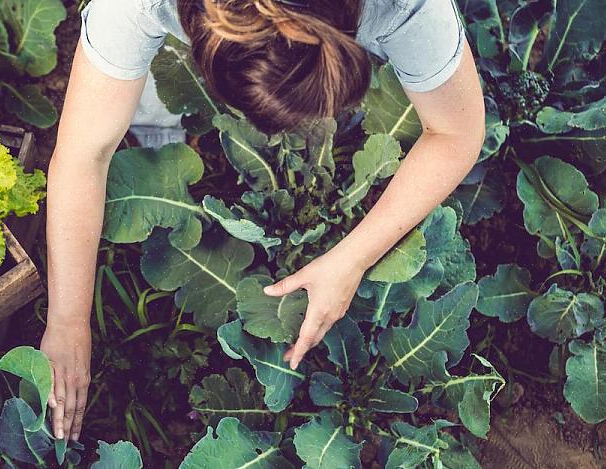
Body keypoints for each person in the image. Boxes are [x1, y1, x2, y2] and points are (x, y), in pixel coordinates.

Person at [40, 0, 485, 442]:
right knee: (132, 90)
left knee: (427, 72)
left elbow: (457, 131)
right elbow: (85, 153)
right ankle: (155, 111)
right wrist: (67, 319)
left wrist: (351, 259)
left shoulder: (407, 7)